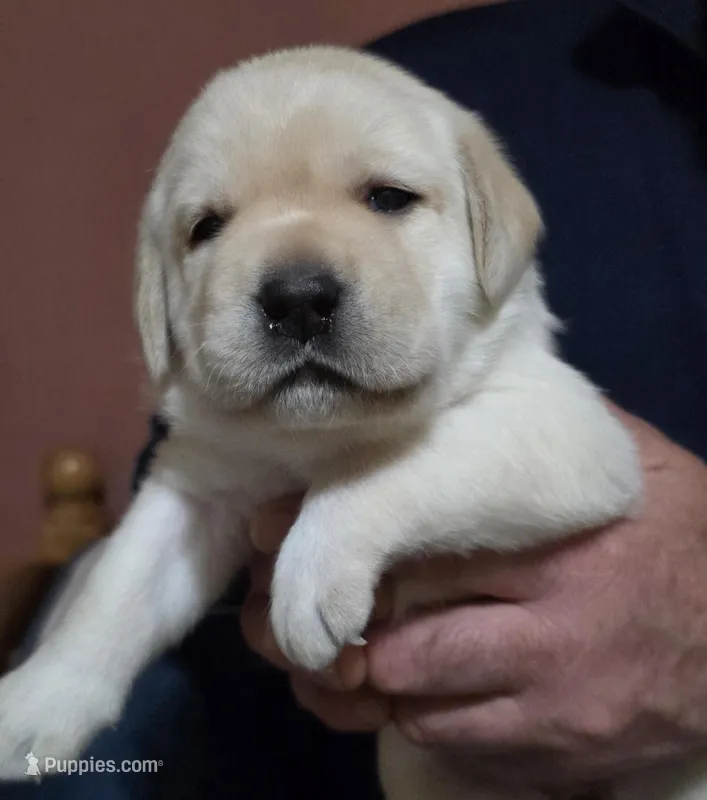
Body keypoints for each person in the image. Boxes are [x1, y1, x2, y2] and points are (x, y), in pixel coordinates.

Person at [3, 1, 705, 798]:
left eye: (387, 198)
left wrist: (357, 511)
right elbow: (185, 507)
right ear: (156, 295)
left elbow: (595, 468)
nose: (296, 285)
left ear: (494, 235)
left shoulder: (511, 384)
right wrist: (70, 674)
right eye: (209, 224)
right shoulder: (458, 61)